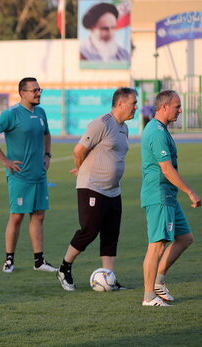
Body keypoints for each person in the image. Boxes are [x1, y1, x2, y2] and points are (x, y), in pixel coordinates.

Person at [56, 87, 138, 291]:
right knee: (89, 231)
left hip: (113, 190)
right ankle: (64, 267)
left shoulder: (124, 128)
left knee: (111, 234)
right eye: (133, 103)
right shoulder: (101, 124)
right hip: (92, 186)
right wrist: (81, 167)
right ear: (120, 103)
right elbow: (78, 150)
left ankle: (110, 277)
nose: (136, 107)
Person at [0, 77, 57, 274]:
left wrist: (47, 155)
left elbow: (47, 134)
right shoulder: (11, 114)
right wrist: (4, 160)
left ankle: (39, 261)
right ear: (22, 93)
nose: (38, 93)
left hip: (39, 174)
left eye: (40, 90)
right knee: (16, 217)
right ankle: (9, 260)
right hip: (19, 175)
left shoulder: (41, 112)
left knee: (39, 215)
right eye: (34, 90)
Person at [140, 90, 201, 306]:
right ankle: (149, 297)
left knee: (185, 238)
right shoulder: (156, 132)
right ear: (164, 107)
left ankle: (158, 280)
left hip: (168, 195)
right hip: (158, 194)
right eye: (177, 106)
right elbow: (166, 169)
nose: (180, 110)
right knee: (156, 245)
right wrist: (190, 191)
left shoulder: (161, 129)